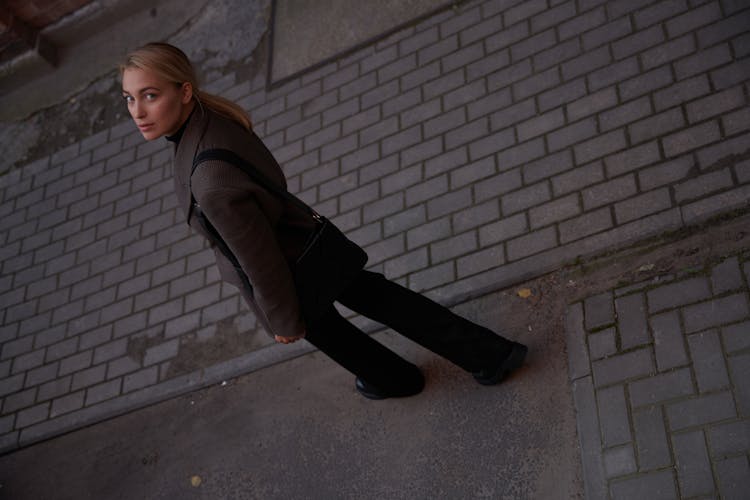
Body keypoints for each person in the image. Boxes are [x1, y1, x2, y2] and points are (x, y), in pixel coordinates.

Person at [120, 42, 527, 400]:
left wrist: (283, 319)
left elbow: (257, 259)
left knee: (336, 337)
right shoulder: (216, 120)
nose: (138, 112)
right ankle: (491, 354)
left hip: (287, 272)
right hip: (310, 237)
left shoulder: (207, 182)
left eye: (150, 96)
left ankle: (398, 380)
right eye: (129, 99)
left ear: (184, 91)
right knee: (387, 300)